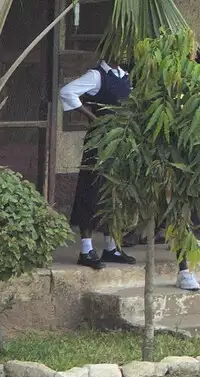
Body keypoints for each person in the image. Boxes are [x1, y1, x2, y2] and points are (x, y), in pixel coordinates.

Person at [60, 59, 138, 271]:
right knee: (92, 188)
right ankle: (86, 249)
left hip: (121, 140)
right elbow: (67, 92)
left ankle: (111, 247)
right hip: (99, 141)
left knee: (114, 190)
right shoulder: (96, 76)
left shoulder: (125, 75)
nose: (123, 53)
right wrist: (93, 118)